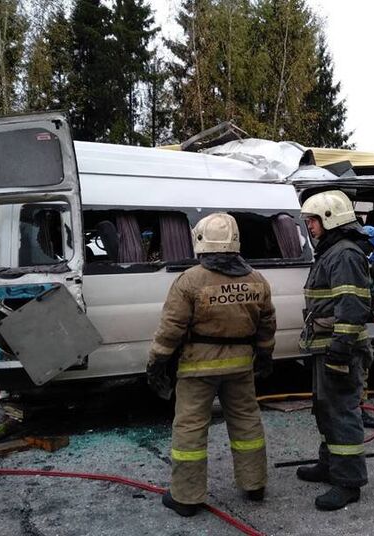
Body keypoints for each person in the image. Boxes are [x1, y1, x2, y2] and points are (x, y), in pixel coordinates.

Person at [146, 212, 276, 517]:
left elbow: (171, 328)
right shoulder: (256, 279)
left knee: (190, 429)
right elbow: (267, 324)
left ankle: (187, 498)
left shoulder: (190, 280)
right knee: (247, 423)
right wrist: (265, 356)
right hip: (241, 367)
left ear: (201, 241)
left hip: (197, 369)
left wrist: (156, 362)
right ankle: (254, 484)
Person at [298, 190, 372, 511]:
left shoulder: (343, 255)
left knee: (341, 412)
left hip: (339, 348)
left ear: (330, 219)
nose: (310, 227)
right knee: (326, 408)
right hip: (326, 345)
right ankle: (330, 464)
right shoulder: (331, 253)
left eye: (313, 220)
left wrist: (341, 349)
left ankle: (348, 482)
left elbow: (352, 306)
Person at [359, 226, 374, 429]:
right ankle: (358, 410)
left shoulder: (337, 252)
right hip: (354, 326)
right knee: (360, 366)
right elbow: (368, 289)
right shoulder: (357, 260)